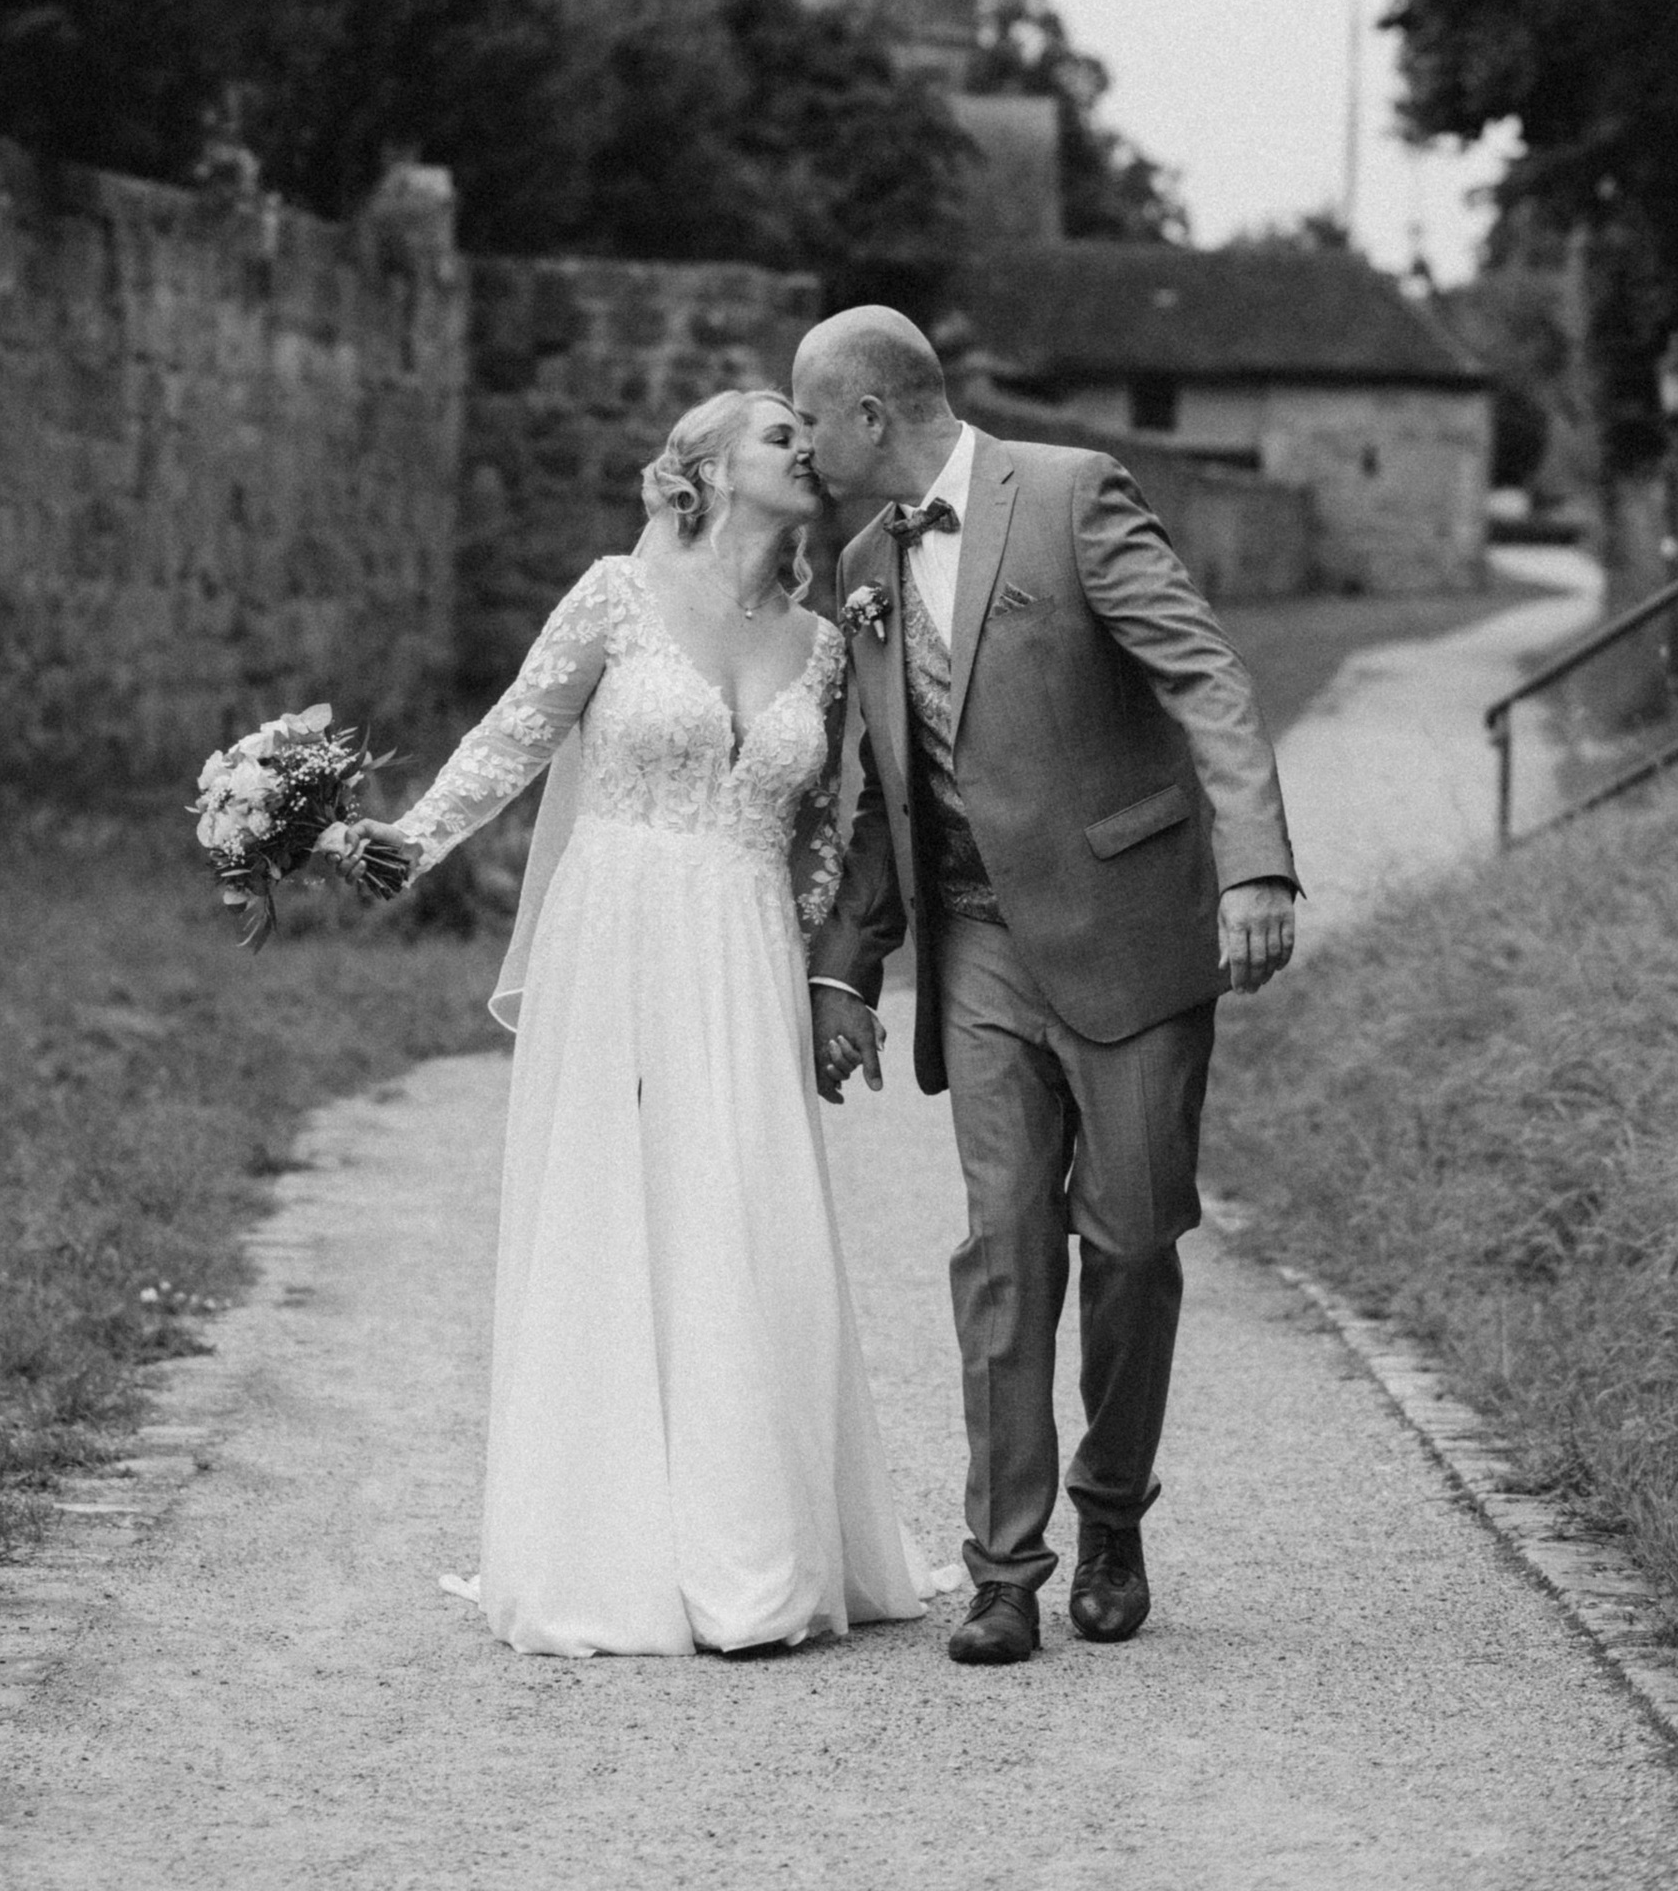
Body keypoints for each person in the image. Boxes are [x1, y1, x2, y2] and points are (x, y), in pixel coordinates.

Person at [358, 387, 925, 1659]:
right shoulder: (614, 592)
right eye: (777, 432)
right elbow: (517, 730)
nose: (805, 446)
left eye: (804, 432)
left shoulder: (826, 643)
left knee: (739, 1214)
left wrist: (828, 973)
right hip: (612, 935)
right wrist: (409, 838)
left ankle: (754, 1552)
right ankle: (604, 1549)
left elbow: (817, 830)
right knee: (616, 1214)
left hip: (742, 946)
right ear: (707, 467)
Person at [790, 304, 1297, 1672]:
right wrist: (846, 972)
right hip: (980, 951)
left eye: (810, 418)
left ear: (873, 416)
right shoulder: (859, 563)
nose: (801, 443)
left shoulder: (1071, 497)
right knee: (1001, 1251)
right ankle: (1004, 1571)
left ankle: (1113, 1512)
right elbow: (881, 784)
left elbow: (1206, 675)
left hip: (1130, 931)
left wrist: (1256, 867)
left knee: (1130, 1246)